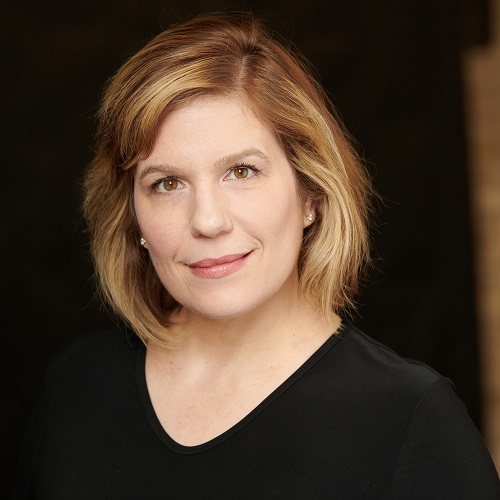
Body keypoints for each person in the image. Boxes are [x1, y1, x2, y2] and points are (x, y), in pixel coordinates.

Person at [14, 12, 499, 499]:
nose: (207, 220)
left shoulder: (410, 420)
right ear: (133, 217)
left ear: (310, 193)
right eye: (167, 183)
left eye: (241, 172)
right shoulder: (77, 385)